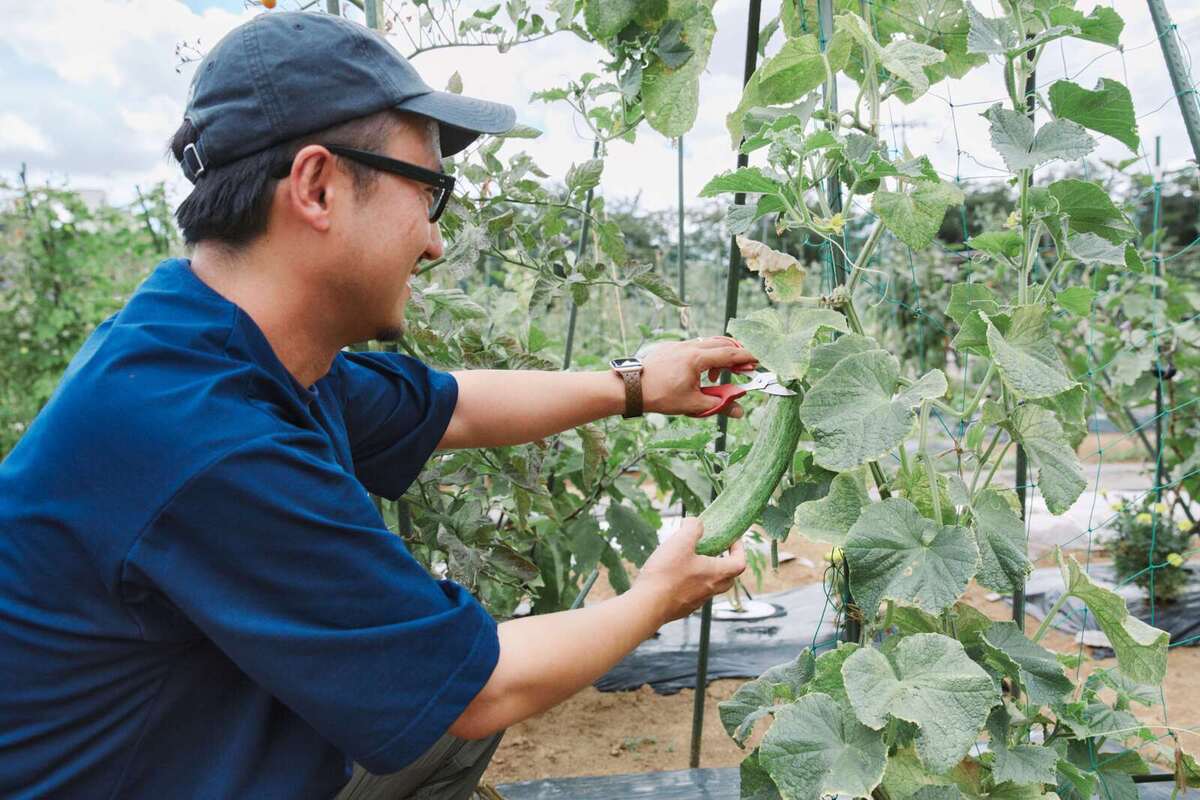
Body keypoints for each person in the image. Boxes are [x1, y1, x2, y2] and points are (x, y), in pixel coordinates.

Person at [0, 11, 754, 800]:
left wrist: (636, 385)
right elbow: (478, 689)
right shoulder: (201, 434)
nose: (433, 242)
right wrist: (654, 598)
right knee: (459, 693)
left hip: (188, 751)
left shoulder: (226, 345)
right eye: (429, 193)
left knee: (436, 724)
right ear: (318, 186)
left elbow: (453, 407)